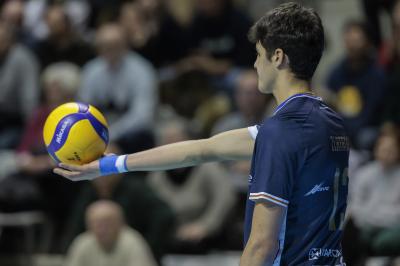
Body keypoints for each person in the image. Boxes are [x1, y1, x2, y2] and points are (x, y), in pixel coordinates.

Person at [54, 2, 350, 265]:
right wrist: (109, 164)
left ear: (278, 57)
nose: (254, 63)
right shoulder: (328, 122)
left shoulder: (280, 132)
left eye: (259, 54)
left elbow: (262, 244)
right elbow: (201, 150)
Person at [148, 118, 235, 252]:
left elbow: (225, 198)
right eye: (167, 141)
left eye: (176, 140)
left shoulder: (208, 167)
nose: (171, 146)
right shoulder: (155, 176)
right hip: (171, 235)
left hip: (207, 235)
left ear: (189, 140)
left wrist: (205, 226)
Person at [79, 23, 157, 154]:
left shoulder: (142, 70)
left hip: (132, 133)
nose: (109, 50)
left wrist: (110, 134)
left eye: (114, 45)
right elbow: (83, 108)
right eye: (104, 45)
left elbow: (142, 116)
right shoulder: (91, 70)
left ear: (125, 45)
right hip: (99, 133)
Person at [342, 124, 400, 265]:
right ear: (376, 149)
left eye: (391, 150)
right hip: (364, 227)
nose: (386, 154)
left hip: (392, 230)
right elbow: (355, 208)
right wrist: (381, 214)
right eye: (383, 149)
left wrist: (372, 213)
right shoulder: (364, 173)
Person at [325, 20, 386, 149]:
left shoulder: (376, 74)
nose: (352, 45)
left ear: (368, 43)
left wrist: (346, 131)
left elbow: (370, 114)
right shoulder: (336, 73)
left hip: (364, 130)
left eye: (356, 40)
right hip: (342, 131)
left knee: (365, 137)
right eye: (348, 40)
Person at [65, 200, 157, 266]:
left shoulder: (132, 241)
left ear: (120, 223)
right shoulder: (82, 242)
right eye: (96, 224)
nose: (102, 229)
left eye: (107, 223)